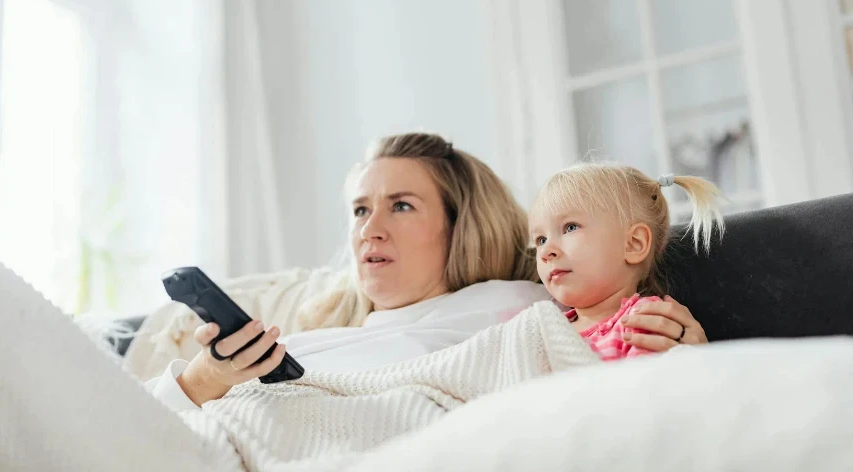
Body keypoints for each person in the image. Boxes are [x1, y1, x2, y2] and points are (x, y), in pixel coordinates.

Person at [148, 134, 708, 410]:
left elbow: (593, 339)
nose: (370, 227)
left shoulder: (513, 307)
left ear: (463, 225)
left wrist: (689, 349)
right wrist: (205, 379)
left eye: (402, 205)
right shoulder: (312, 338)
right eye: (361, 209)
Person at [529, 162, 722, 361]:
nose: (545, 251)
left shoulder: (645, 323)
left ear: (633, 244)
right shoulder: (542, 331)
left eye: (570, 227)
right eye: (540, 240)